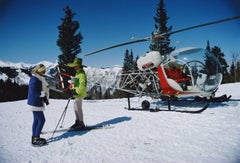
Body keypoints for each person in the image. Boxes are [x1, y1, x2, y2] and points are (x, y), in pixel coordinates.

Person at [27, 64, 49, 146]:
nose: (44, 72)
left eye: (44, 70)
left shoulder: (37, 77)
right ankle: (36, 138)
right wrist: (42, 94)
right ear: (39, 70)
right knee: (42, 120)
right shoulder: (34, 79)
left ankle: (34, 137)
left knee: (36, 120)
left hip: (35, 102)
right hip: (35, 103)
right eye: (42, 71)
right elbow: (33, 92)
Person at [67, 57, 87, 130]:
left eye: (75, 66)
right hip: (76, 93)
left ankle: (81, 123)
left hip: (80, 93)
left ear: (79, 66)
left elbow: (82, 84)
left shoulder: (81, 74)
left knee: (78, 108)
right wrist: (72, 89)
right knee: (75, 107)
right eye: (74, 66)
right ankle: (77, 122)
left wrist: (76, 91)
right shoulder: (78, 73)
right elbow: (76, 83)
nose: (74, 67)